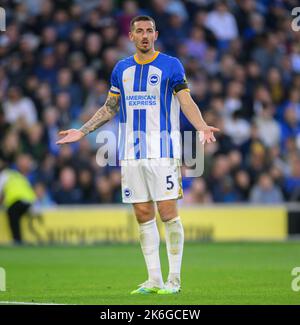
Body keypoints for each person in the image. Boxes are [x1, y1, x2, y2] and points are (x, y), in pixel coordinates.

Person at [56, 15, 219, 295]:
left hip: (163, 150)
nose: (144, 35)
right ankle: (154, 279)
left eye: (149, 31)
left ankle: (174, 280)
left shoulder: (171, 65)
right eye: (139, 31)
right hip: (131, 153)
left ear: (156, 34)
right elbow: (110, 107)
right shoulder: (121, 69)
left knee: (167, 213)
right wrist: (82, 132)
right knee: (143, 215)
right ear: (130, 36)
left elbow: (185, 100)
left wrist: (202, 126)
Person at [0, 159, 42, 244]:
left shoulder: (4, 175)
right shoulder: (19, 176)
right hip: (30, 202)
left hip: (16, 201)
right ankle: (20, 239)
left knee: (12, 213)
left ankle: (17, 239)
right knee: (16, 215)